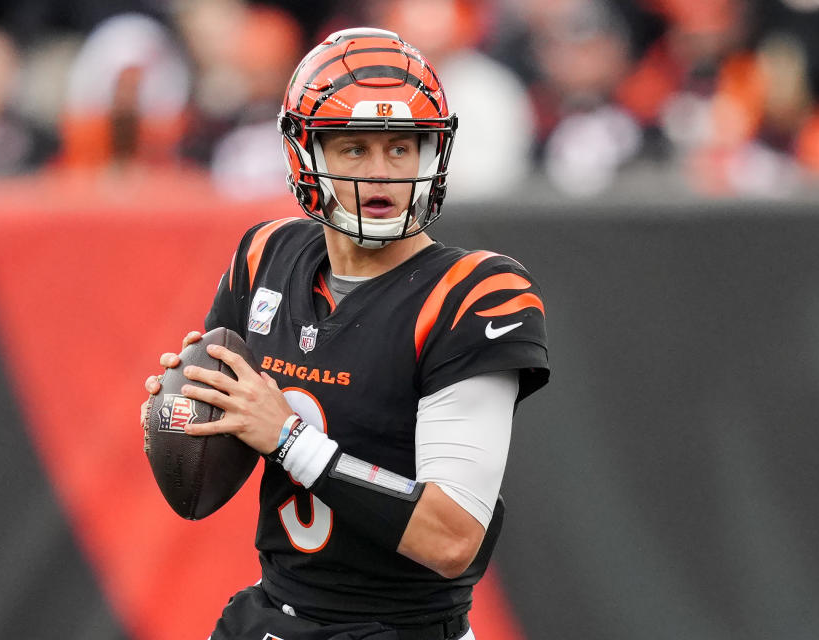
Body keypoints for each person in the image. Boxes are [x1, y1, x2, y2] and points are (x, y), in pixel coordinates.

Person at [140, 27, 549, 640]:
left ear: (432, 156)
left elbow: (452, 537)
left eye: (400, 148)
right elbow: (222, 437)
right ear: (307, 155)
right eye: (353, 148)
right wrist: (182, 412)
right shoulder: (266, 254)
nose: (380, 172)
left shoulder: (473, 293)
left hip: (400, 629)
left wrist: (288, 438)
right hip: (274, 612)